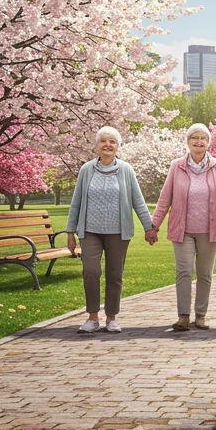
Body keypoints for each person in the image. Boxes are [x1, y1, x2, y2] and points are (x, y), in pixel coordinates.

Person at [150, 123, 216, 332]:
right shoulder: (177, 166)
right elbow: (165, 198)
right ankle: (183, 316)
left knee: (205, 273)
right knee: (184, 271)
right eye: (195, 138)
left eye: (203, 138)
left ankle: (200, 316)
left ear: (208, 143)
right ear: (188, 142)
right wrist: (153, 226)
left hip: (210, 230)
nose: (199, 142)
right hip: (182, 230)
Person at [66, 126, 156, 334]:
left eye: (112, 142)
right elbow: (76, 203)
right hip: (90, 231)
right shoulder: (86, 170)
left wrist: (149, 227)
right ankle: (92, 317)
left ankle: (111, 318)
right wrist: (70, 233)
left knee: (115, 274)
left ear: (118, 146)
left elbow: (138, 202)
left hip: (118, 231)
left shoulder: (126, 170)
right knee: (91, 271)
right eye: (103, 141)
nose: (108, 145)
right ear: (97, 146)